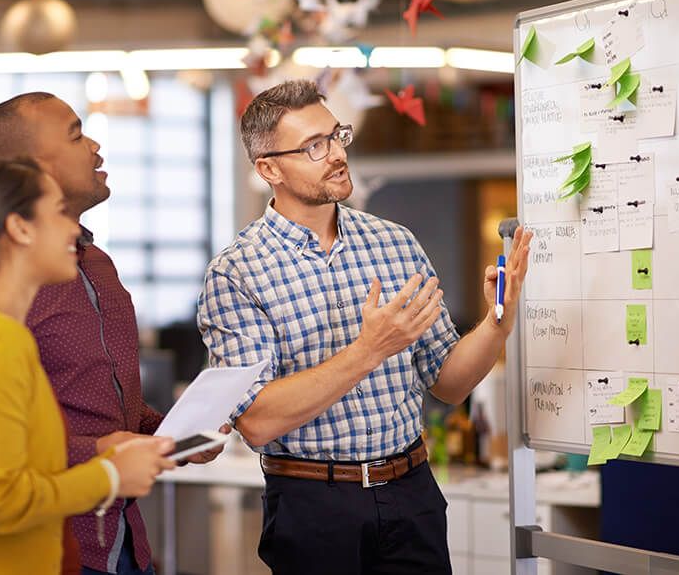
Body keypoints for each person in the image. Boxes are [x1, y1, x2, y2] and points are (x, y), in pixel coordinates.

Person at [197, 80, 533, 575]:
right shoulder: (237, 273)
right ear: (269, 169)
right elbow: (258, 420)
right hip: (313, 505)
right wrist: (369, 350)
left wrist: (498, 322)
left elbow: (450, 382)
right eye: (315, 146)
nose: (336, 154)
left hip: (411, 490)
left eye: (337, 136)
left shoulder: (394, 243)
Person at [0, 93, 224, 575]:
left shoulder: (88, 272)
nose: (73, 233)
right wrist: (107, 465)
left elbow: (78, 421)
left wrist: (163, 436)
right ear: (21, 220)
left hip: (117, 539)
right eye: (57, 217)